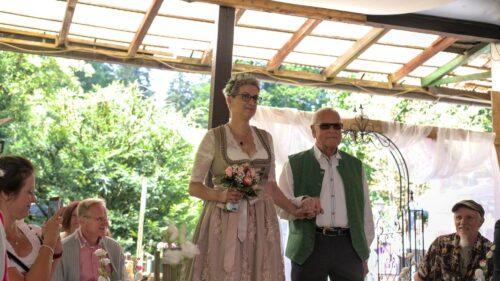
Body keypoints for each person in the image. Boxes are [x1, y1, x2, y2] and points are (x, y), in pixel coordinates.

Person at [187, 73, 306, 281]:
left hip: (262, 221)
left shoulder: (265, 138)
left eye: (255, 98)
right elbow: (194, 187)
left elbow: (271, 186)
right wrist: (220, 196)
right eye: (245, 96)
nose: (251, 102)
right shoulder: (214, 138)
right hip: (225, 219)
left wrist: (295, 210)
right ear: (229, 99)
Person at [278, 107, 374, 281]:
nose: (332, 130)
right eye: (325, 126)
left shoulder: (355, 166)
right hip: (308, 246)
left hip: (349, 247)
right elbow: (279, 204)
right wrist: (302, 202)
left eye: (337, 126)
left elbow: (365, 210)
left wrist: (363, 253)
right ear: (313, 130)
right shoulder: (294, 164)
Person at [0, 156, 64, 281]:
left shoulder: (33, 233)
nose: (34, 199)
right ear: (6, 194)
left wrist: (55, 249)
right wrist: (49, 243)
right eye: (29, 192)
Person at [416, 200, 494, 280]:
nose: (463, 222)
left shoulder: (490, 250)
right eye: (458, 217)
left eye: (469, 218)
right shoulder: (440, 244)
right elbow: (420, 277)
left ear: (481, 222)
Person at [54, 198, 125, 281]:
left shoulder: (114, 247)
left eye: (106, 218)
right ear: (82, 220)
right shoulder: (63, 248)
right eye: (99, 219)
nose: (106, 223)